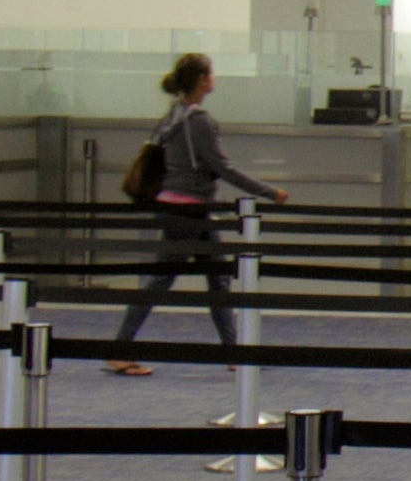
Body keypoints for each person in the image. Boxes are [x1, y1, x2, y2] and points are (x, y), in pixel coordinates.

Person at [108, 51, 289, 374]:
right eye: (211, 74)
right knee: (162, 280)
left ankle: (234, 353)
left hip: (185, 207)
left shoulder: (174, 114)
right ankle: (120, 349)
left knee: (217, 280)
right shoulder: (200, 122)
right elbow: (223, 167)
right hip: (189, 210)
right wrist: (269, 192)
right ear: (202, 80)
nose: (213, 79)